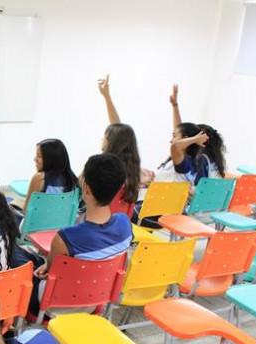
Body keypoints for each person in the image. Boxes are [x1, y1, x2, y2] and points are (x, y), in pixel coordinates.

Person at [31, 153, 133, 314]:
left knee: (26, 265)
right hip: (97, 300)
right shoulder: (125, 224)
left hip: (56, 303)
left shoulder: (66, 237)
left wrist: (48, 265)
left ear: (86, 188)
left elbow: (50, 271)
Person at [97, 74, 154, 204]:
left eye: (105, 137)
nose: (102, 139)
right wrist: (107, 97)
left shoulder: (103, 166)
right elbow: (118, 130)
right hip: (121, 220)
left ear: (111, 142)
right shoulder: (133, 170)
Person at [167, 84, 226, 181]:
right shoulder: (199, 161)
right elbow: (179, 131)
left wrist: (194, 139)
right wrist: (175, 106)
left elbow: (178, 140)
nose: (172, 139)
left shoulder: (197, 162)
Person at [23, 138, 78, 211]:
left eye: (39, 156)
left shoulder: (39, 178)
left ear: (50, 159)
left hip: (38, 222)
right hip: (64, 222)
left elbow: (26, 210)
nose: (35, 159)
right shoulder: (73, 180)